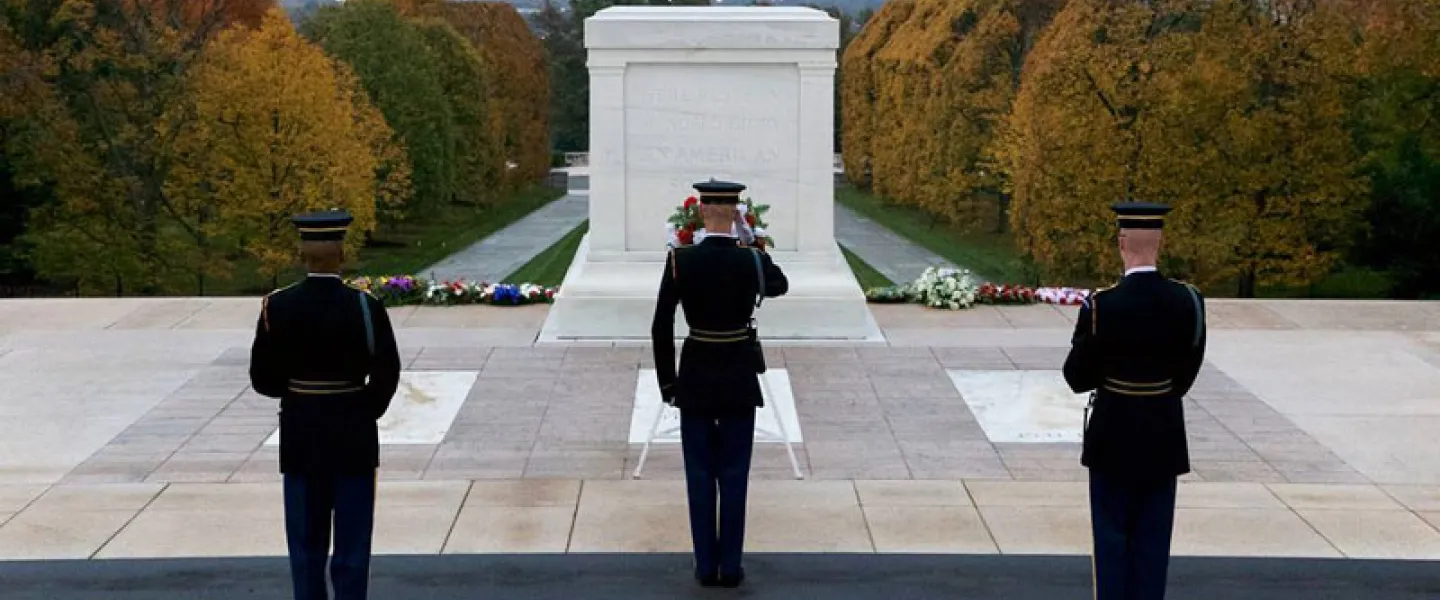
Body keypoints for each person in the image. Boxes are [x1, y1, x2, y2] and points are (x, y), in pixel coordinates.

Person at [249, 210, 402, 600]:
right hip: (353, 437)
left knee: (305, 547)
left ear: (302, 255)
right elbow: (386, 372)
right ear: (342, 255)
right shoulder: (366, 307)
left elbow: (262, 379)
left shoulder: (277, 307)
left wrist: (298, 392)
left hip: (301, 435)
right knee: (352, 546)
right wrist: (361, 409)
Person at [1063, 202, 1206, 600]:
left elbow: (1076, 377)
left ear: (1121, 243)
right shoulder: (1188, 300)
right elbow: (1187, 371)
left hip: (1113, 434)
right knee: (1153, 543)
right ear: (1160, 243)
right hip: (1163, 433)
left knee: (1111, 542)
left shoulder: (1101, 306)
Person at [651, 179, 789, 589]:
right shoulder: (751, 260)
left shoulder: (680, 260)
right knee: (734, 473)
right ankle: (730, 566)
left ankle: (705, 566)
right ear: (737, 214)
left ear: (699, 213)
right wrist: (755, 243)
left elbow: (661, 326)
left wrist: (668, 384)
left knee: (698, 474)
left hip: (695, 376)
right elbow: (779, 285)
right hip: (737, 375)